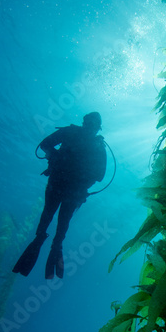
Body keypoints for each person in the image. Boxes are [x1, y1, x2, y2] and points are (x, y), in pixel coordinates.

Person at [13, 112, 107, 279]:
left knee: (53, 218)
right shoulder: (94, 143)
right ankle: (53, 244)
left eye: (91, 124)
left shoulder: (79, 137)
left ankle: (47, 242)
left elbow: (45, 145)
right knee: (58, 221)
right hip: (70, 189)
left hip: (64, 186)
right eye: (89, 123)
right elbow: (99, 176)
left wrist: (56, 159)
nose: (89, 126)